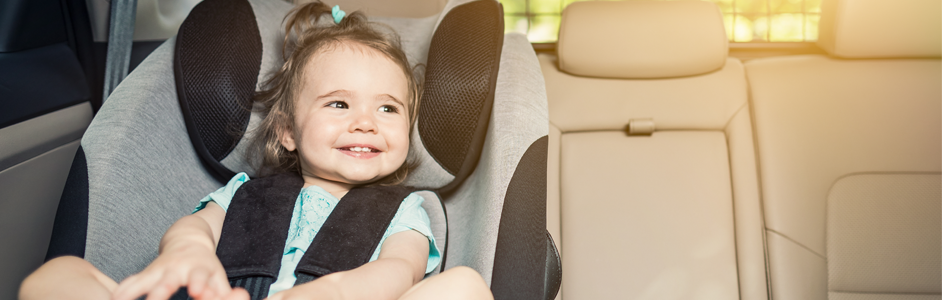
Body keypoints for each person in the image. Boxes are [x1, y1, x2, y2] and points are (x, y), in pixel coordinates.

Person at [19, 2, 493, 300]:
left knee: (465, 287)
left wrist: (342, 289)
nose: (365, 122)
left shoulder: (408, 209)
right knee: (56, 276)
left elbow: (401, 268)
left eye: (388, 109)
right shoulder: (245, 192)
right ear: (286, 131)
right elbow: (196, 225)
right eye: (339, 103)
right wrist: (186, 255)